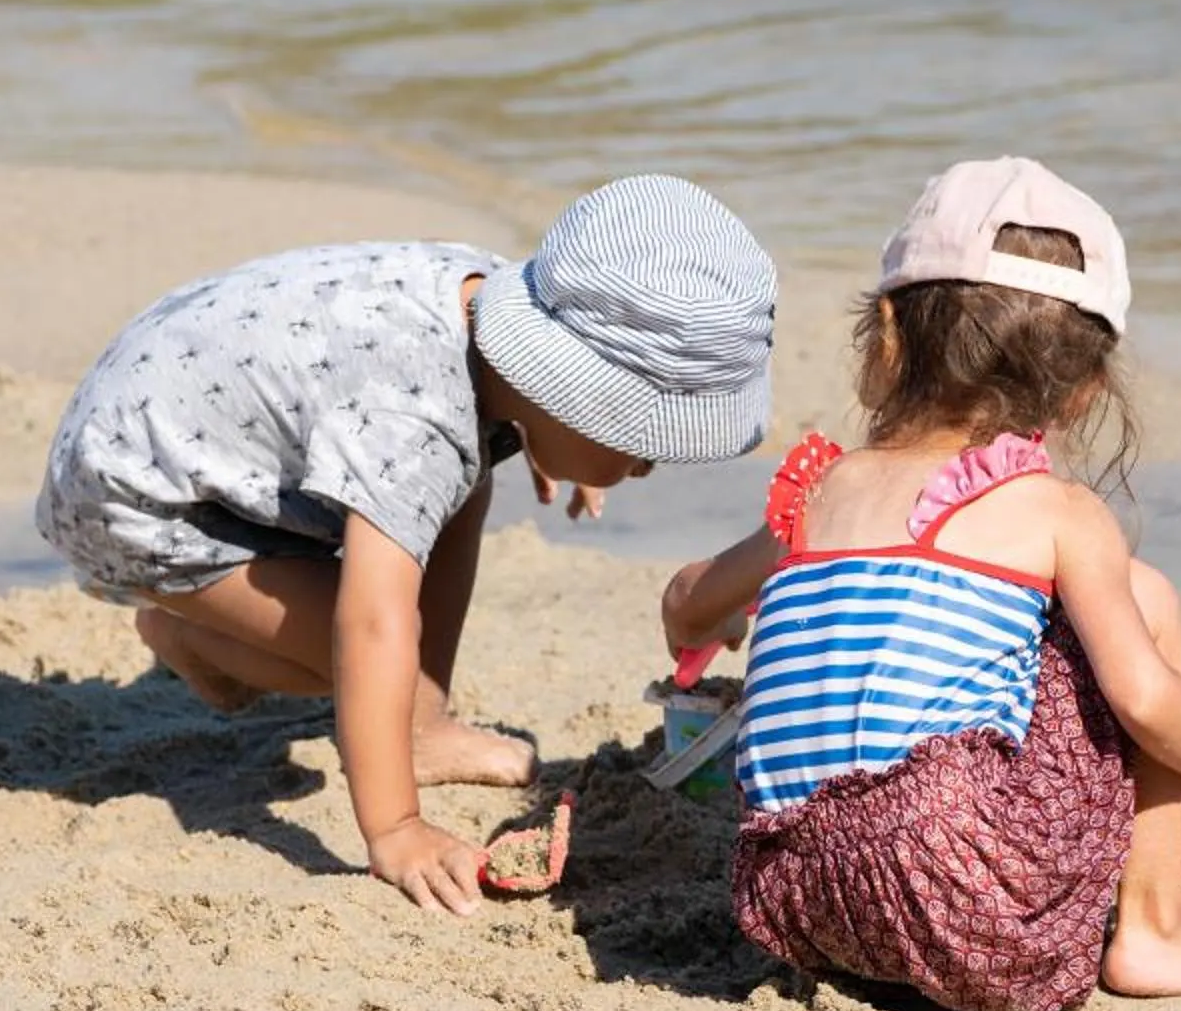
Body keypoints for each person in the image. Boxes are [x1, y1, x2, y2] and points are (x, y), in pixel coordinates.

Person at [38, 176, 778, 917]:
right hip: (135, 491)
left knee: (466, 477)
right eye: (637, 441)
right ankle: (182, 634)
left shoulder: (486, 300)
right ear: (567, 394)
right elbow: (371, 622)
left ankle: (420, 727)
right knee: (351, 663)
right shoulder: (417, 420)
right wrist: (395, 828)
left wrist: (561, 445)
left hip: (180, 398)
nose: (645, 465)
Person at [658, 158, 1181, 1011]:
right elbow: (1140, 697)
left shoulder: (820, 491)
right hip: (973, 906)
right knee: (1146, 601)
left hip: (789, 899)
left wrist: (709, 621)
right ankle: (1155, 928)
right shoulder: (1056, 509)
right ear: (1087, 389)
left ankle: (904, 938)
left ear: (887, 339)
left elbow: (689, 605)